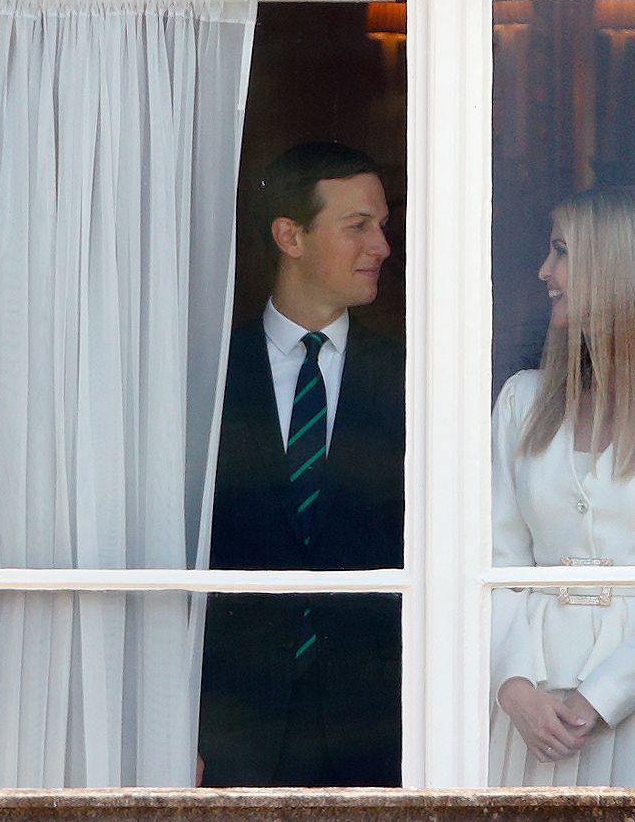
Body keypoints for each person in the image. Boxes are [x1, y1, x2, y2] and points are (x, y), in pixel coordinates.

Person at [198, 142, 404, 787]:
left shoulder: (414, 377)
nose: (381, 247)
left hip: (384, 727)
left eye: (383, 227)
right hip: (231, 727)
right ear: (290, 235)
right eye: (358, 226)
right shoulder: (203, 374)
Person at [489, 186, 635, 786]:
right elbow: (493, 564)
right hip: (528, 716)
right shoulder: (521, 400)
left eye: (561, 252)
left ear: (617, 269)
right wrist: (513, 685)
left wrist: (601, 698)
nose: (543, 271)